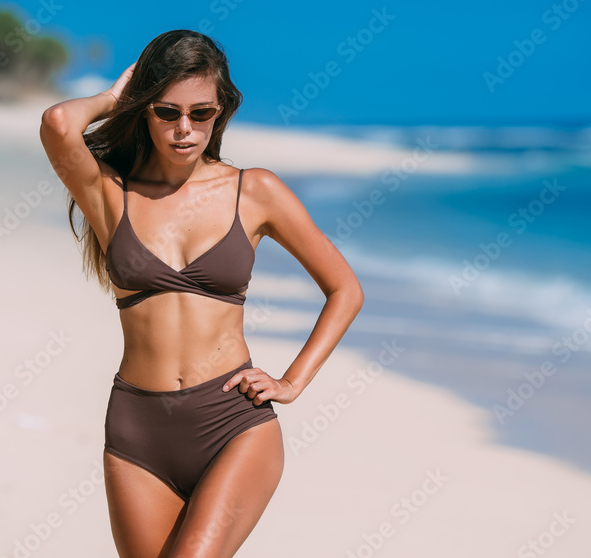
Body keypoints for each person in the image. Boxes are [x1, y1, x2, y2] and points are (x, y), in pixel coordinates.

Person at [39, 29, 364, 557]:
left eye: (201, 112)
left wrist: (291, 381)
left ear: (222, 110)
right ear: (145, 110)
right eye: (166, 111)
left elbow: (344, 289)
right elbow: (58, 124)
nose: (185, 129)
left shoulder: (254, 190)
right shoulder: (109, 194)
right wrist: (112, 99)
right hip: (136, 433)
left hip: (232, 422)